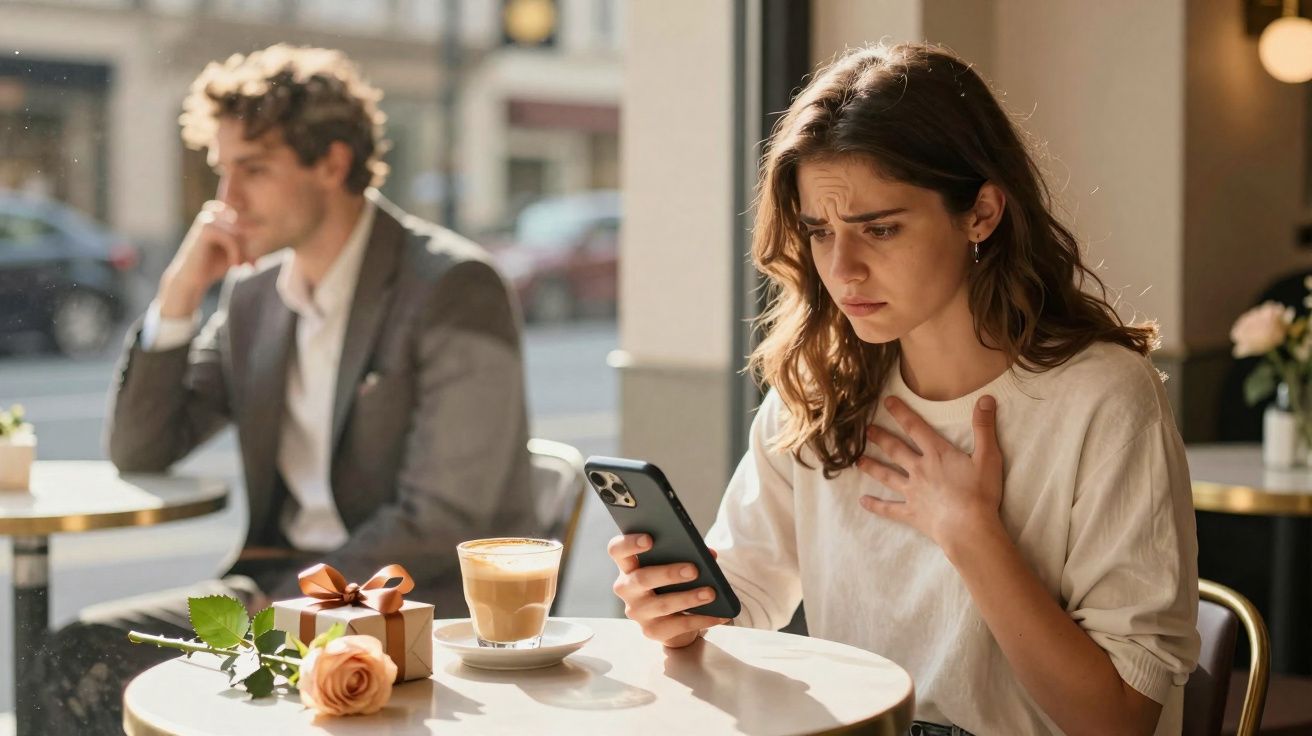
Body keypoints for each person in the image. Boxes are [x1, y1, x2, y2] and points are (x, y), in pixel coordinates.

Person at [607, 43, 1199, 735]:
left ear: (980, 212)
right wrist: (674, 610)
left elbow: (1118, 721)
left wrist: (970, 531)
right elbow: (744, 599)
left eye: (880, 229)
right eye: (819, 232)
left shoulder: (1102, 399)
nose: (843, 269)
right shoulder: (820, 383)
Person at [39, 44, 537, 733]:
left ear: (332, 162)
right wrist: (179, 296)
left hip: (403, 607)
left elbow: (442, 519)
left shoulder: (453, 286)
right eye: (222, 171)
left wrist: (279, 612)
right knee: (75, 651)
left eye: (254, 170)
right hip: (275, 590)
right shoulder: (253, 296)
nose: (226, 201)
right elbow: (142, 450)